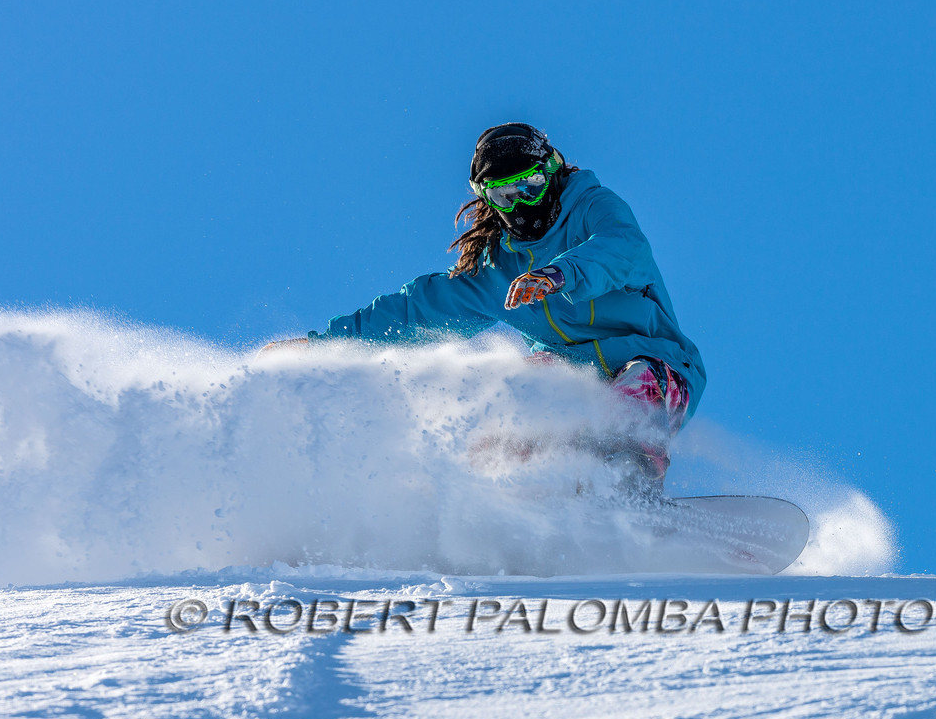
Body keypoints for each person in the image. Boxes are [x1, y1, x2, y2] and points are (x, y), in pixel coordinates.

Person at [275, 123, 705, 486]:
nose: (520, 204)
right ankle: (501, 497)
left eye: (530, 187)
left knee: (633, 391)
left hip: (653, 362)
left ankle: (627, 486)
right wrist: (323, 348)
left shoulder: (592, 207)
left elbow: (622, 247)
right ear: (486, 199)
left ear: (552, 173)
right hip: (569, 372)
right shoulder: (497, 269)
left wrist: (560, 274)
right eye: (503, 195)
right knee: (514, 396)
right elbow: (417, 311)